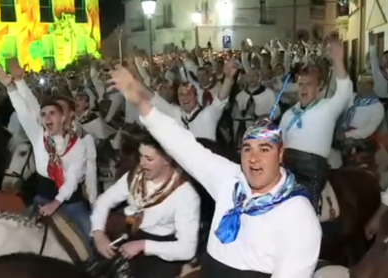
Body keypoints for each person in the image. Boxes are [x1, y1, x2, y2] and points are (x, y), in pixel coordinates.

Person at [106, 66, 321, 277]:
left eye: (265, 149)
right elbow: (183, 147)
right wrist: (139, 102)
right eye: (248, 149)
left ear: (280, 154)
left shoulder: (298, 215)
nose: (254, 159)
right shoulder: (231, 179)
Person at [0, 61, 91, 252]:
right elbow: (25, 111)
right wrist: (12, 87)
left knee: (90, 239)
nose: (46, 117)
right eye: (44, 114)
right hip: (42, 197)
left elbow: (71, 180)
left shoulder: (78, 144)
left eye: (52, 113)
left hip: (70, 201)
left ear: (63, 118)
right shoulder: (38, 136)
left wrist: (56, 203)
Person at [91, 130, 200, 278]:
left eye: (148, 159)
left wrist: (143, 245)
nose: (141, 163)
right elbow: (104, 200)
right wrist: (98, 233)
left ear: (167, 160)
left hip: (162, 249)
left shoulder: (185, 195)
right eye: (141, 156)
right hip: (130, 233)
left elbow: (187, 249)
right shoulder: (134, 176)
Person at [279, 37, 352, 213]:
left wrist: (338, 62)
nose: (303, 89)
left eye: (309, 84)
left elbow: (345, 91)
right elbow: (279, 142)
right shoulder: (288, 114)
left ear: (319, 87)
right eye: (301, 84)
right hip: (285, 167)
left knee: (303, 213)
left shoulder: (327, 108)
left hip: (310, 171)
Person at [139, 60, 236, 141]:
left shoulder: (207, 115)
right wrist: (133, 79)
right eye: (181, 94)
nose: (185, 98)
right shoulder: (176, 113)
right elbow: (153, 98)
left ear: (196, 97)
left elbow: (220, 100)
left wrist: (228, 78)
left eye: (188, 93)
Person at [54, 96, 98, 206]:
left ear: (71, 114)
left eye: (62, 108)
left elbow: (90, 171)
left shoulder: (83, 138)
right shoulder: (49, 133)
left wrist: (92, 200)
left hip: (73, 194)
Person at [334, 74, 384, 167]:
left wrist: (346, 135)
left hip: (360, 138)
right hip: (341, 130)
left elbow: (367, 131)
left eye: (366, 84)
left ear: (372, 86)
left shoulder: (377, 107)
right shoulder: (351, 97)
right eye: (360, 83)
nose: (362, 86)